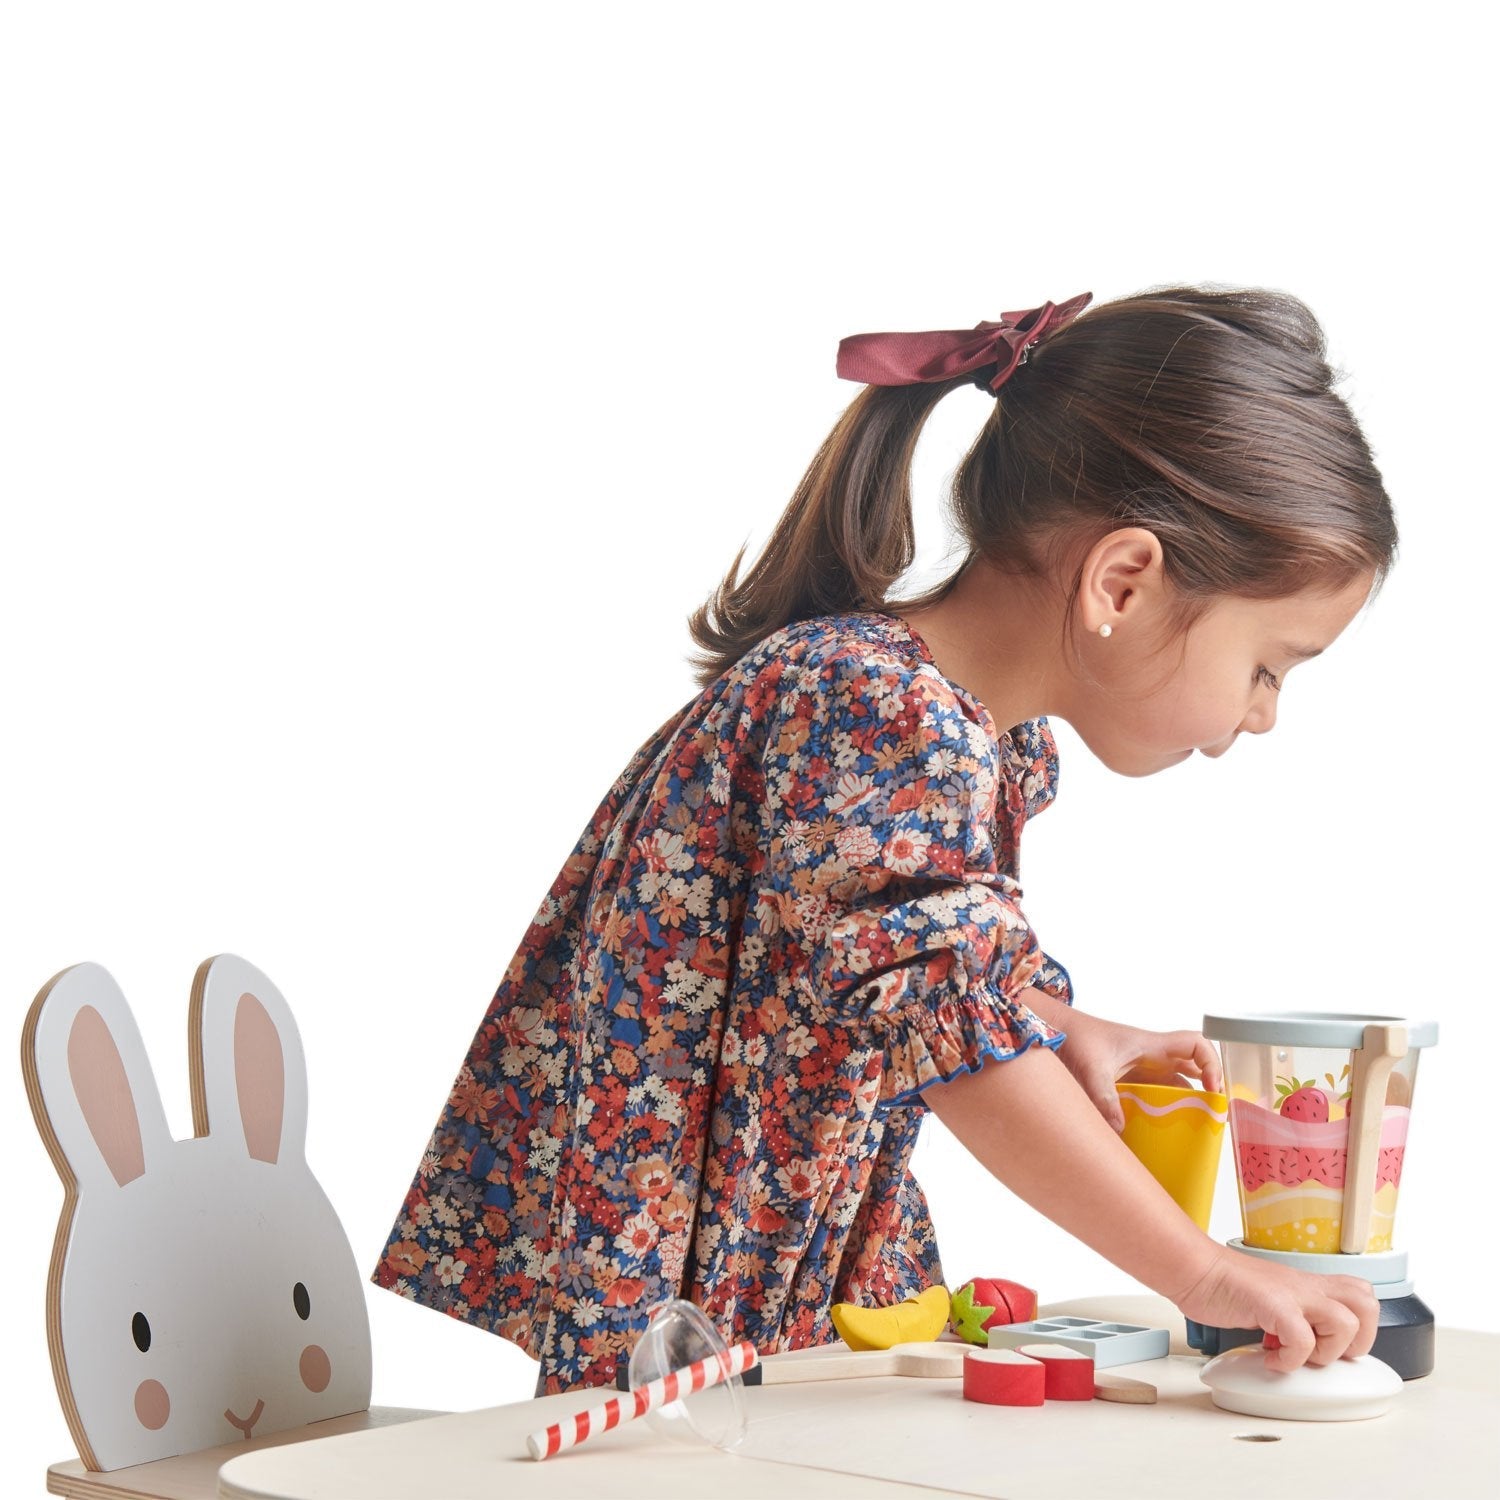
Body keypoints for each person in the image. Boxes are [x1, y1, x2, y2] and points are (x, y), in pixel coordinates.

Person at [373, 285, 1391, 1394]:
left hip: (785, 1231)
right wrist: (1205, 1274)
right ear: (1123, 580)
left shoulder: (950, 726)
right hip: (700, 1270)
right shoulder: (878, 713)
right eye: (1267, 667)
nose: (1263, 714)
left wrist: (1061, 1027)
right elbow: (954, 1046)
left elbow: (879, 966)